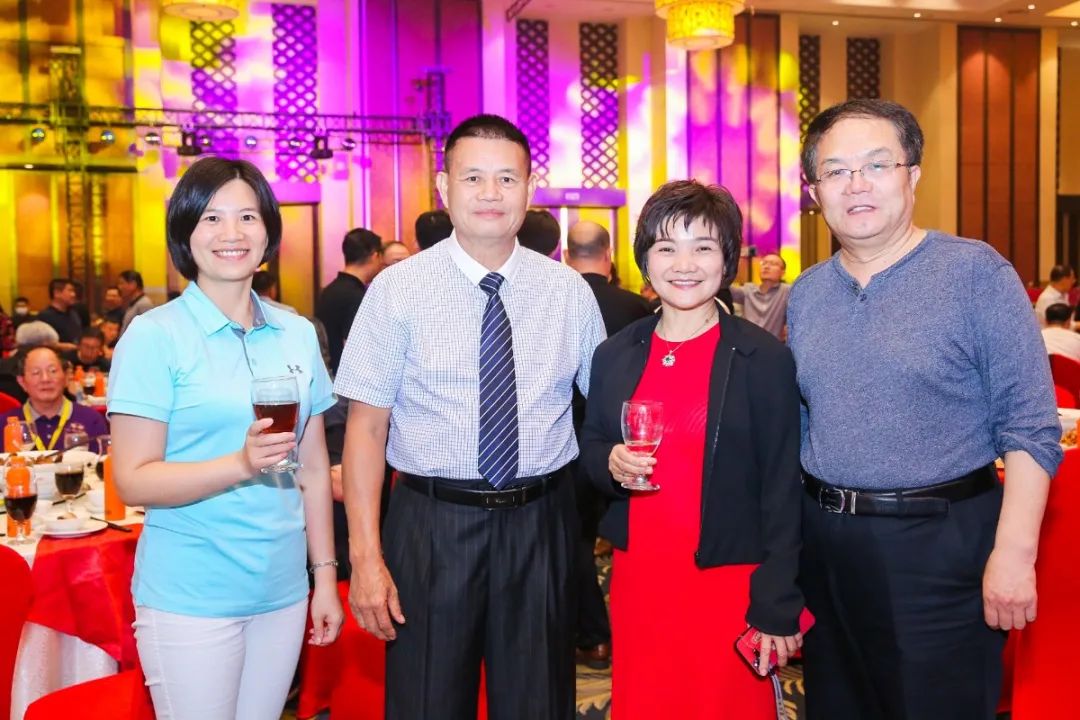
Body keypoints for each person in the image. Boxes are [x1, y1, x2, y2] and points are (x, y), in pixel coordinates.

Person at [790, 99, 1060, 720]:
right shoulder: (808, 293)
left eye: (876, 164)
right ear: (815, 191)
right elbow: (804, 424)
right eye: (836, 171)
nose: (856, 184)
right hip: (826, 548)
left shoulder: (974, 273)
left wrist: (1015, 555)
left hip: (939, 549)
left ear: (912, 174)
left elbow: (1029, 425)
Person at [335, 114, 605, 720]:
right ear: (443, 186)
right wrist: (366, 556)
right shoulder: (397, 290)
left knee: (539, 703)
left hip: (540, 523)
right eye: (473, 177)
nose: (490, 193)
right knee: (427, 701)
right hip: (431, 525)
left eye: (507, 178)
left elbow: (608, 408)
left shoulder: (568, 292)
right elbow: (365, 429)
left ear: (529, 189)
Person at [107, 156, 343, 720]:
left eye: (247, 217)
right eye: (211, 218)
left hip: (283, 590)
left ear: (268, 233)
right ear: (185, 234)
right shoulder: (154, 335)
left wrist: (325, 577)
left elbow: (313, 469)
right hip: (191, 593)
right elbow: (133, 480)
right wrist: (240, 463)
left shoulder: (296, 332)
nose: (231, 233)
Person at [579, 180, 803, 719]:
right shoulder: (616, 353)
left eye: (702, 247)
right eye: (666, 247)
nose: (684, 264)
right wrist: (609, 462)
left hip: (729, 577)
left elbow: (784, 487)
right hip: (641, 576)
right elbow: (591, 444)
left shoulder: (761, 358)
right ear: (644, 260)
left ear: (727, 259)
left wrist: (777, 600)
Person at [564, 219, 651, 669]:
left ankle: (594, 635)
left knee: (575, 543)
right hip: (637, 445)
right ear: (610, 257)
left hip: (571, 445)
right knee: (634, 541)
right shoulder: (638, 307)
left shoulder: (554, 300)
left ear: (565, 256)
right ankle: (642, 633)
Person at [0, 345, 108, 445]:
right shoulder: (5, 425)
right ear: (22, 382)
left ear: (66, 377)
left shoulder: (91, 420)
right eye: (36, 373)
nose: (45, 379)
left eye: (53, 371)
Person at [314, 227, 383, 374]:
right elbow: (356, 349)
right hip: (344, 378)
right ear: (375, 256)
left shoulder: (329, 290)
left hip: (326, 372)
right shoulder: (356, 296)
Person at [730, 252, 790, 339]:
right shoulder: (748, 289)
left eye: (773, 264)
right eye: (763, 263)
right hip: (746, 342)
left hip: (772, 344)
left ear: (782, 272)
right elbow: (725, 288)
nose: (766, 267)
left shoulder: (787, 291)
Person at [37, 278, 82, 347]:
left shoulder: (74, 313)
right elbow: (41, 342)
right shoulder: (45, 316)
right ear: (57, 293)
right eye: (70, 291)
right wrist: (62, 346)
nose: (73, 295)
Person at [118, 269, 154, 336]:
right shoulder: (134, 303)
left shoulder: (144, 304)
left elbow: (147, 331)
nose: (119, 287)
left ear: (133, 284)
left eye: (122, 283)